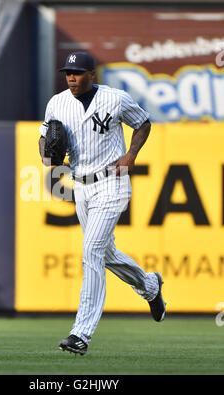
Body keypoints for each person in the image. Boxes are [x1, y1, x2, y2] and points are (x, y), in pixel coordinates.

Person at [39, 52, 166, 356]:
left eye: (78, 72)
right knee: (105, 252)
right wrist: (46, 154)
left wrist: (131, 154)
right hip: (81, 187)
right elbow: (45, 141)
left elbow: (143, 123)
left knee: (92, 250)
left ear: (92, 75)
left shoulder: (115, 98)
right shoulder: (57, 103)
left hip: (112, 182)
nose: (71, 77)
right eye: (68, 72)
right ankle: (150, 286)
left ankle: (80, 334)